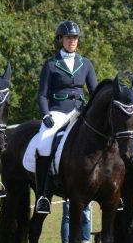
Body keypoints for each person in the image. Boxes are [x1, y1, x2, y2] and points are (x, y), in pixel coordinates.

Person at [35, 20, 97, 213]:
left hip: (80, 112)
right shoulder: (51, 64)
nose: (73, 41)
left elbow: (94, 92)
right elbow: (42, 94)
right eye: (69, 37)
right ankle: (43, 194)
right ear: (60, 39)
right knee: (44, 142)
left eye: (75, 38)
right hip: (58, 111)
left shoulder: (85, 63)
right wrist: (45, 114)